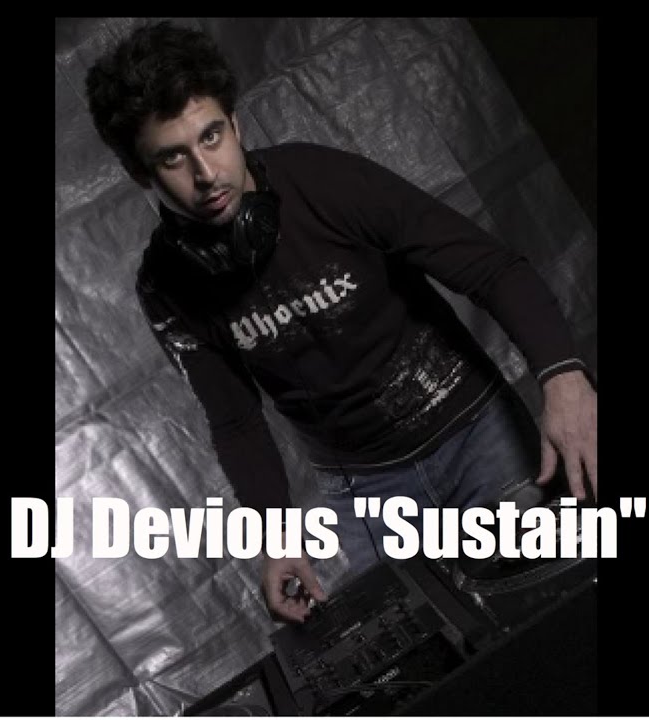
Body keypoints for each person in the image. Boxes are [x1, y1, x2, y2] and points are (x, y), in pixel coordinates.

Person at [84, 21, 598, 624]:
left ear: (236, 124)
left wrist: (564, 378)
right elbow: (237, 421)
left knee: (558, 617)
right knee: (447, 652)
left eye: (212, 136)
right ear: (141, 174)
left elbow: (490, 268)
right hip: (365, 493)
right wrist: (275, 538)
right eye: (173, 157)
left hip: (478, 438)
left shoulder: (325, 181)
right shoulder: (166, 287)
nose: (207, 173)